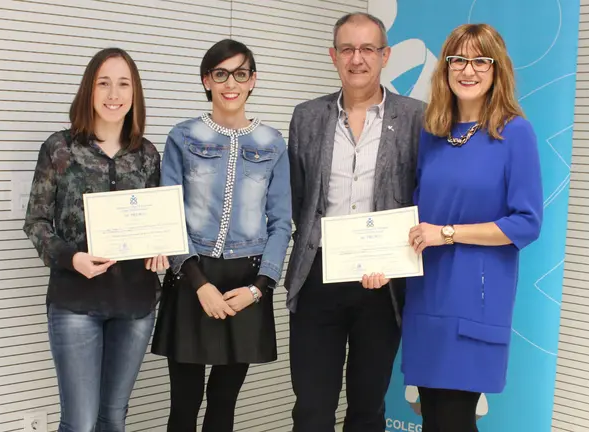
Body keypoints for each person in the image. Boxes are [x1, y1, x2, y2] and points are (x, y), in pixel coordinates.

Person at [285, 12, 426, 432]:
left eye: (367, 49)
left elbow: (422, 192)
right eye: (347, 49)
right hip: (318, 278)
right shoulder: (307, 117)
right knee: (311, 408)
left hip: (384, 285)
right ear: (333, 56)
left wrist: (394, 258)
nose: (357, 58)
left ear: (384, 55)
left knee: (367, 408)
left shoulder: (417, 117)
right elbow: (299, 198)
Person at [403, 23, 543, 431]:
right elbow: (413, 211)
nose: (469, 70)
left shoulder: (514, 132)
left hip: (475, 299)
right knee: (434, 416)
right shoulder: (433, 133)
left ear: (497, 69)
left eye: (481, 60)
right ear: (445, 68)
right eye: (458, 59)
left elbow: (526, 222)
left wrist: (446, 232)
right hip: (426, 294)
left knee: (453, 419)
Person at [150, 39, 292, 432]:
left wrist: (260, 287)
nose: (231, 83)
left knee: (225, 401)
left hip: (247, 282)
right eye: (221, 74)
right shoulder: (182, 137)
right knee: (184, 401)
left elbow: (282, 222)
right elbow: (169, 215)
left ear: (253, 81)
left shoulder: (272, 142)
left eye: (240, 74)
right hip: (191, 278)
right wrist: (197, 283)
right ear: (206, 81)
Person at [23, 47, 161, 431]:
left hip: (135, 304)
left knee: (112, 418)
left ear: (134, 94)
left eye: (123, 84)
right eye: (104, 83)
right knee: (81, 422)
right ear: (89, 90)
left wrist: (160, 248)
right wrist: (73, 258)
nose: (113, 94)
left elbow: (153, 223)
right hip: (75, 303)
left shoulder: (147, 156)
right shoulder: (60, 148)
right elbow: (35, 222)